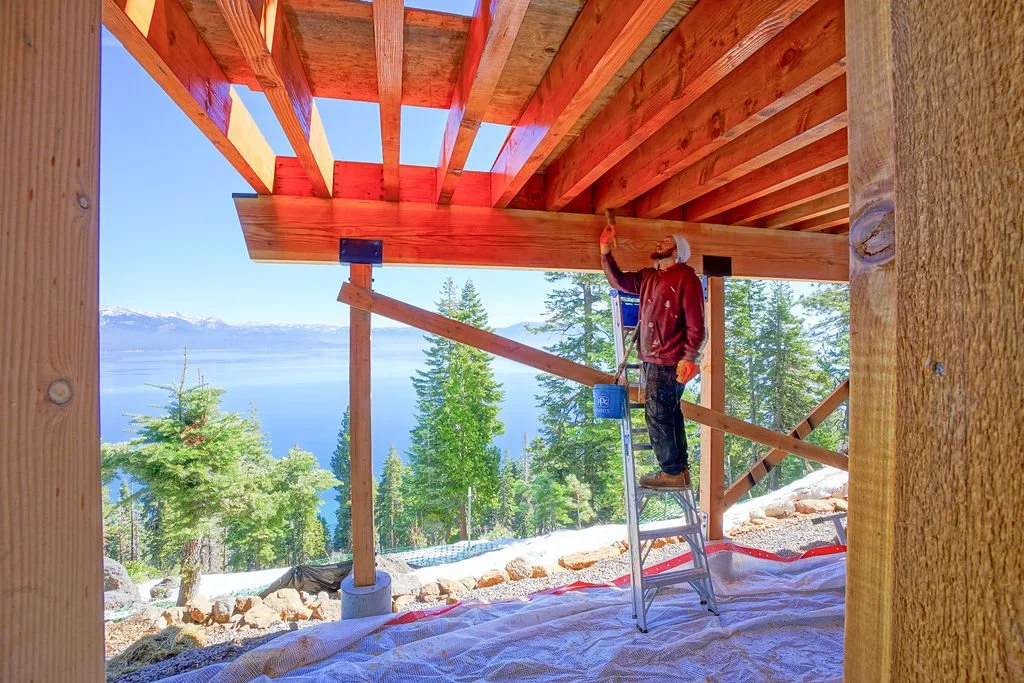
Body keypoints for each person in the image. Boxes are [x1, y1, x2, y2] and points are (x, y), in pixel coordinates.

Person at [599, 221, 705, 490]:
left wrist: (690, 357)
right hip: (652, 359)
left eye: (667, 241)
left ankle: (671, 472)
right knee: (669, 413)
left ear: (678, 251)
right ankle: (679, 470)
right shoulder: (649, 277)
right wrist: (604, 252)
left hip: (669, 360)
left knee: (658, 415)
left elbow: (696, 324)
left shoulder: (686, 278)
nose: (660, 243)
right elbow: (620, 281)